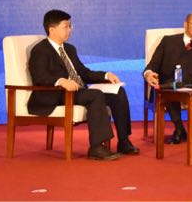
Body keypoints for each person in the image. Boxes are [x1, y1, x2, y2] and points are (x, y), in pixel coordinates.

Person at [27, 10, 138, 160]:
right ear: (52, 30)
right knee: (95, 95)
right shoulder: (40, 50)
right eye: (65, 26)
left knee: (118, 92)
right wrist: (60, 81)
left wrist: (105, 75)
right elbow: (39, 76)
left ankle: (123, 141)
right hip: (54, 94)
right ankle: (96, 147)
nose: (69, 30)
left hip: (76, 91)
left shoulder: (69, 49)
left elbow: (84, 73)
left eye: (70, 26)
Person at [144, 12, 192, 144]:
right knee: (170, 89)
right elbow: (153, 65)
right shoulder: (168, 41)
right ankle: (179, 129)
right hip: (174, 83)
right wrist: (148, 73)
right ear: (185, 25)